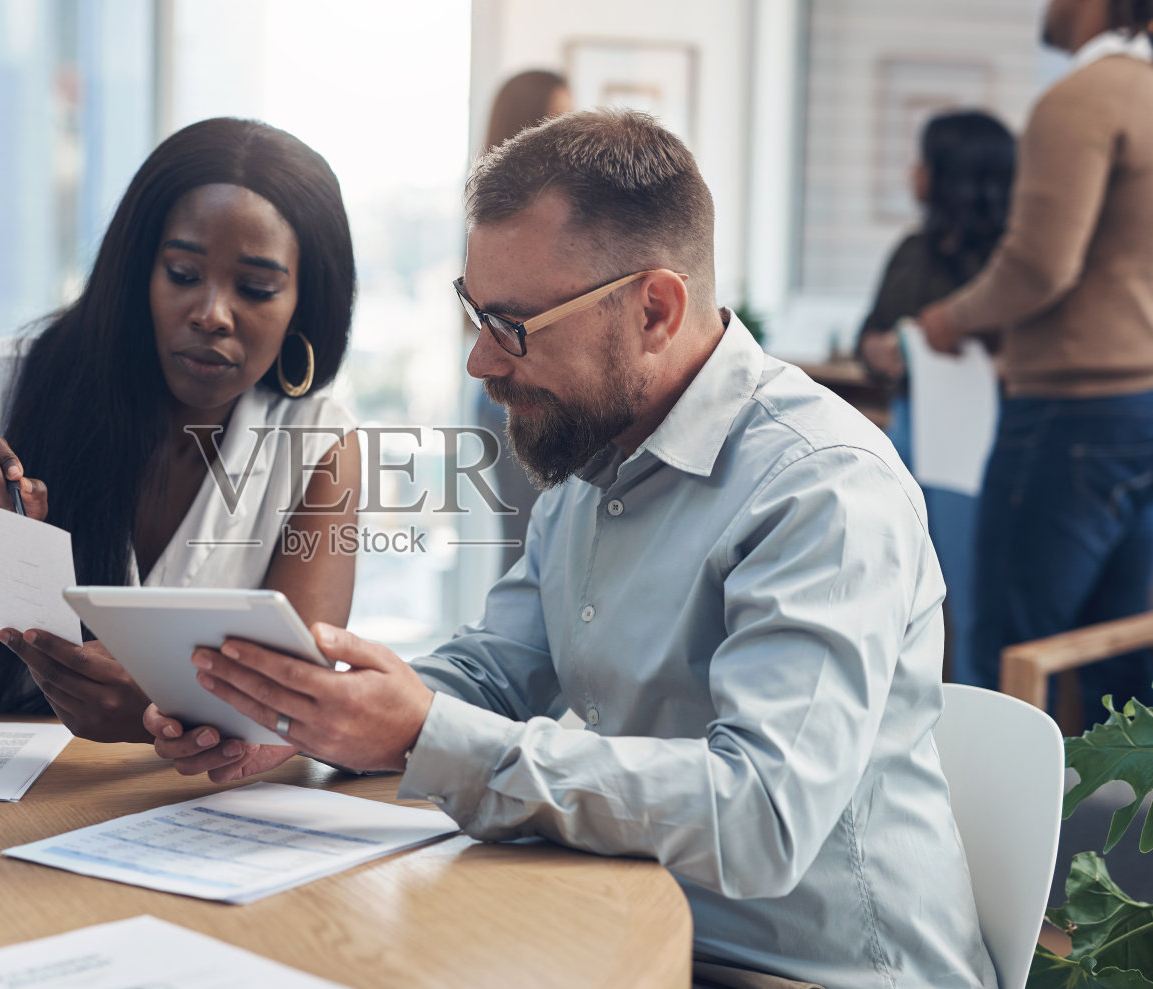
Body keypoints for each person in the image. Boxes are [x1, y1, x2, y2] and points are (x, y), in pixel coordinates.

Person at [145, 110, 996, 987]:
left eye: (513, 325)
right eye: (475, 313)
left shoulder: (823, 487)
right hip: (625, 926)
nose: (480, 361)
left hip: (809, 972)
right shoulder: (596, 456)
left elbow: (762, 820)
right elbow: (491, 674)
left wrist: (427, 733)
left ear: (655, 309)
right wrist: (311, 720)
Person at [0, 118, 361, 742]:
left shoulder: (317, 440)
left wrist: (159, 709)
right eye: (182, 274)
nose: (210, 314)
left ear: (305, 305)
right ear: (137, 274)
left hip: (180, 809)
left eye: (256, 289)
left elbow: (303, 708)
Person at [920, 0, 1153, 721]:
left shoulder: (1080, 98)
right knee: (1126, 676)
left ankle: (1006, 839)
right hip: (1142, 407)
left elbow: (1040, 264)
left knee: (1012, 662)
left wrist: (950, 317)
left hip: (1069, 414)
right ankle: (1113, 840)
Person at [855, 110, 1016, 683]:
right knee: (892, 588)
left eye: (925, 159)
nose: (913, 172)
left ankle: (981, 722)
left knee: (971, 600)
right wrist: (881, 349)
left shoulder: (1011, 260)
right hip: (907, 428)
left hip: (978, 441)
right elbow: (868, 333)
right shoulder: (912, 251)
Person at [474, 70, 574, 574]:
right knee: (528, 553)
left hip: (514, 388)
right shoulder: (492, 222)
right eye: (557, 120)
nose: (569, 135)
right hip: (507, 394)